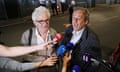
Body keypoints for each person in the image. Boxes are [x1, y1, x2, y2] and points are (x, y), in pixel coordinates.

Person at [60, 7, 101, 72]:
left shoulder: (92, 40)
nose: (74, 21)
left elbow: (95, 64)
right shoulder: (69, 29)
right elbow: (63, 45)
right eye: (73, 17)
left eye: (78, 18)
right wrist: (64, 58)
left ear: (86, 21)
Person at [21, 6, 58, 71]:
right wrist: (42, 59)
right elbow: (23, 55)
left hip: (51, 68)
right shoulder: (27, 35)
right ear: (34, 22)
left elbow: (56, 48)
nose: (45, 24)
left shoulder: (54, 32)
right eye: (41, 21)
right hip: (34, 68)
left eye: (47, 20)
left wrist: (55, 54)